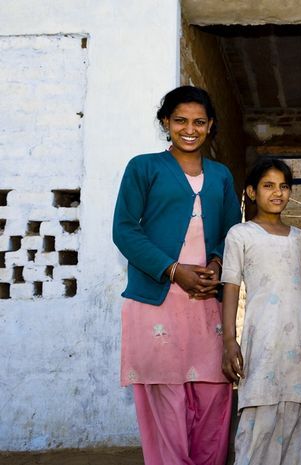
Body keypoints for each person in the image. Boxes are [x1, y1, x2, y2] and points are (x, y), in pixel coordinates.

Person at [113, 85, 241, 465]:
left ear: (210, 126)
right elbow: (124, 229)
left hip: (206, 300)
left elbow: (231, 231)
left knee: (214, 396)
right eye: (180, 120)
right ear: (165, 123)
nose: (190, 129)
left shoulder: (220, 175)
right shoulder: (144, 166)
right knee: (165, 401)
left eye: (199, 122)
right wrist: (171, 270)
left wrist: (217, 264)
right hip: (156, 299)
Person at [220, 158, 301, 465]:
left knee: (299, 417)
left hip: (300, 341)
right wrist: (229, 341)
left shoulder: (299, 238)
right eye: (268, 186)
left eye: (283, 186)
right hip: (263, 339)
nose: (277, 192)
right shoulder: (240, 234)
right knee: (258, 416)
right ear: (251, 192)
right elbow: (230, 287)